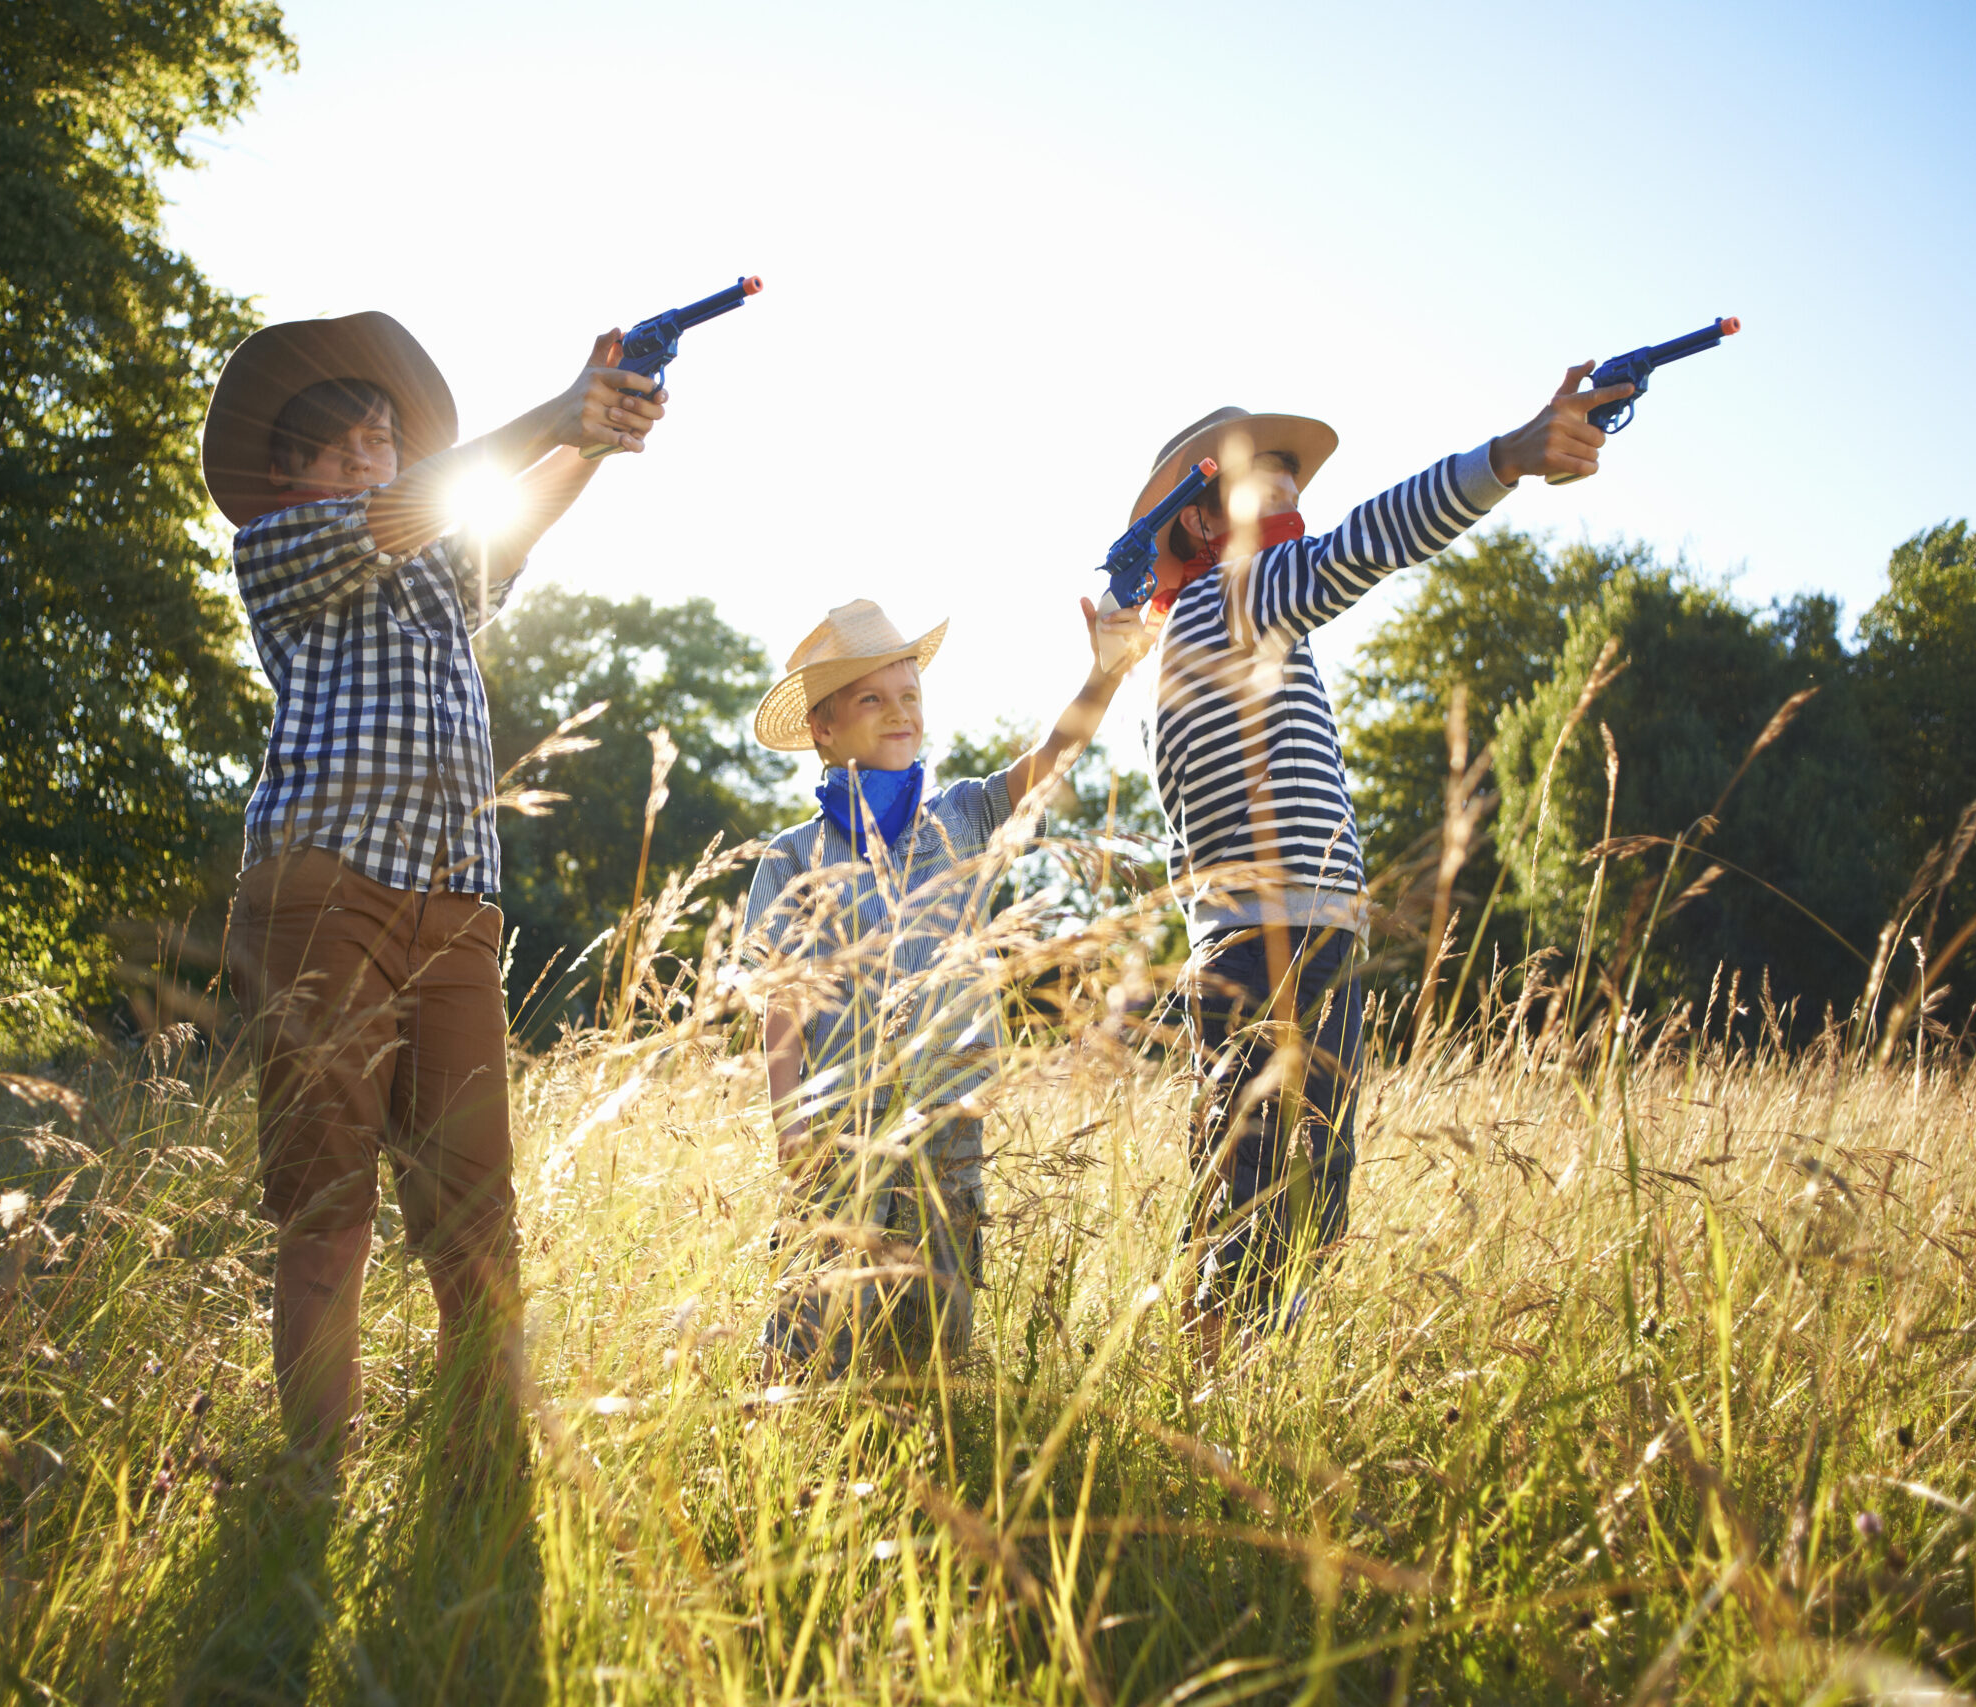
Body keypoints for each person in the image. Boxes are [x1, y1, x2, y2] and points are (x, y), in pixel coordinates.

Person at [202, 311, 669, 1463]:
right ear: (289, 474)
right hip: (327, 885)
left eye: (385, 439)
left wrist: (595, 430)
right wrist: (556, 412)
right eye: (347, 444)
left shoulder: (441, 573)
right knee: (327, 1219)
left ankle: (484, 1479)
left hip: (457, 904)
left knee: (475, 1222)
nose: (377, 456)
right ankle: (313, 1481)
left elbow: (513, 520)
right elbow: (407, 509)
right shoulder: (279, 549)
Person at [1132, 364, 1632, 1352]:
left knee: (1289, 1202)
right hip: (1273, 948)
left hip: (1294, 945)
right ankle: (1225, 1406)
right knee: (1269, 1209)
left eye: (1289, 474)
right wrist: (1507, 459)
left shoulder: (1234, 627)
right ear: (1197, 520)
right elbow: (1370, 542)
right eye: (1257, 475)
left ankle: (1231, 1387)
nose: (1287, 489)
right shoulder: (1224, 606)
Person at [742, 595, 1149, 1374]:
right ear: (823, 728)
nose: (901, 713)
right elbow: (782, 999)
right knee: (812, 1324)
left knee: (932, 1334)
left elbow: (1047, 764)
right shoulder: (792, 856)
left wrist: (1102, 678)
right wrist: (789, 1118)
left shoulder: (959, 820)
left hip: (946, 1122)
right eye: (873, 698)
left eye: (910, 696)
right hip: (838, 1126)